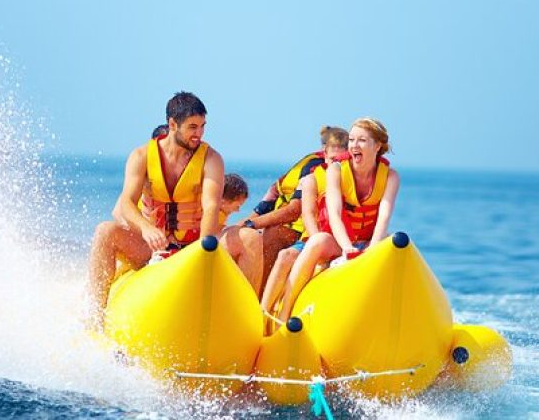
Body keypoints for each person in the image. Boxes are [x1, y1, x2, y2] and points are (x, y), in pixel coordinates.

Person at [86, 92, 261, 327]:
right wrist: (146, 228)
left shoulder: (212, 159)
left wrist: (202, 249)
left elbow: (211, 206)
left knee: (250, 238)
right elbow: (127, 202)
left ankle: (243, 321)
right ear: (172, 124)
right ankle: (96, 318)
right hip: (152, 248)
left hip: (193, 245)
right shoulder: (141, 156)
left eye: (202, 126)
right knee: (105, 231)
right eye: (192, 127)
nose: (198, 133)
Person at [265, 118, 401, 327]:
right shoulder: (336, 170)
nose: (354, 145)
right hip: (338, 242)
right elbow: (334, 212)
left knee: (396, 242)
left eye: (362, 140)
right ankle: (283, 316)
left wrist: (372, 251)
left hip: (367, 242)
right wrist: (347, 248)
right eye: (352, 140)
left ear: (378, 146)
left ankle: (397, 320)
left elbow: (384, 215)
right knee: (317, 240)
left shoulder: (390, 177)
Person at [240, 126, 349, 294]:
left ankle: (258, 298)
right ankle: (250, 298)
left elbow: (294, 211)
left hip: (299, 230)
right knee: (247, 238)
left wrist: (251, 224)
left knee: (273, 234)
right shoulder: (308, 164)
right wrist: (245, 224)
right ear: (324, 150)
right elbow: (271, 196)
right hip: (296, 227)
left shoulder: (324, 168)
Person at [219, 173, 263, 292]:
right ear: (223, 200)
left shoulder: (216, 211)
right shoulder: (213, 210)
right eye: (237, 205)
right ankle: (250, 299)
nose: (238, 210)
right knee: (252, 237)